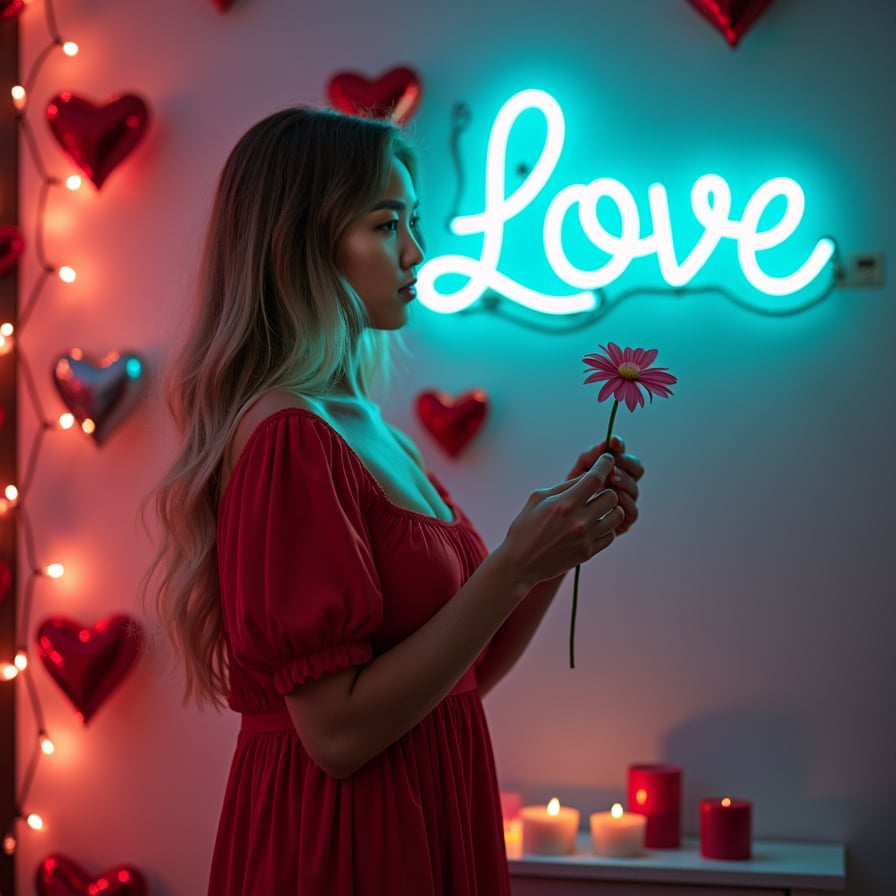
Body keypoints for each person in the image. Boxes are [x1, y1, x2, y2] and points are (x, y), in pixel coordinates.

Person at [144, 106, 645, 895]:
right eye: (385, 225)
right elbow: (338, 737)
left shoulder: (368, 427)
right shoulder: (289, 439)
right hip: (346, 836)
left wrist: (551, 553)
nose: (417, 252)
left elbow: (463, 673)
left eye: (412, 222)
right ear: (299, 244)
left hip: (428, 801)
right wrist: (513, 563)